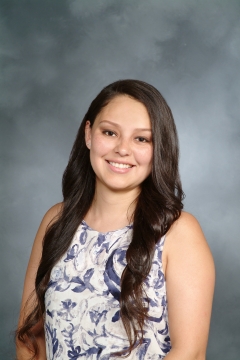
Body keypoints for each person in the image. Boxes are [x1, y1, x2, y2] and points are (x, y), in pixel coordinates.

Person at [16, 79, 215, 360]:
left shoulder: (179, 231)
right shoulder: (56, 221)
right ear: (88, 134)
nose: (122, 149)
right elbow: (29, 337)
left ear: (159, 148)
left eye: (141, 138)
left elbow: (190, 353)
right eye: (110, 132)